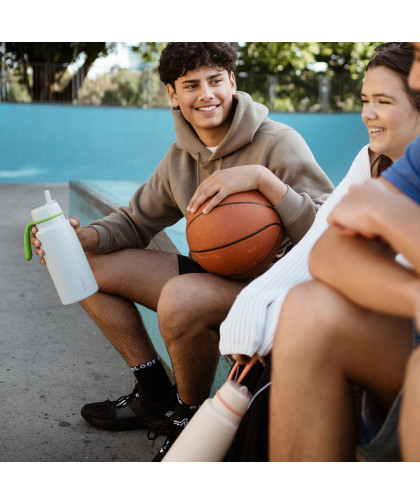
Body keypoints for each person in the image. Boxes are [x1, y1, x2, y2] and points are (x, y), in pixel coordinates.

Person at [30, 42, 333, 460]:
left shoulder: (279, 143)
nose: (206, 94)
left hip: (275, 289)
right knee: (81, 264)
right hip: (218, 276)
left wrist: (266, 182)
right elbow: (136, 221)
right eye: (191, 85)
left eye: (215, 81)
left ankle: (186, 417)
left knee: (181, 295)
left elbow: (327, 235)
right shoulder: (180, 157)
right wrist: (83, 239)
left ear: (233, 82)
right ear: (173, 94)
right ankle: (154, 393)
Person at [219, 42, 420, 461]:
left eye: (383, 101)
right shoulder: (381, 162)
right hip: (397, 332)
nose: (367, 113)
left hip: (400, 341)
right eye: (365, 100)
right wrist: (254, 307)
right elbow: (322, 247)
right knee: (303, 307)